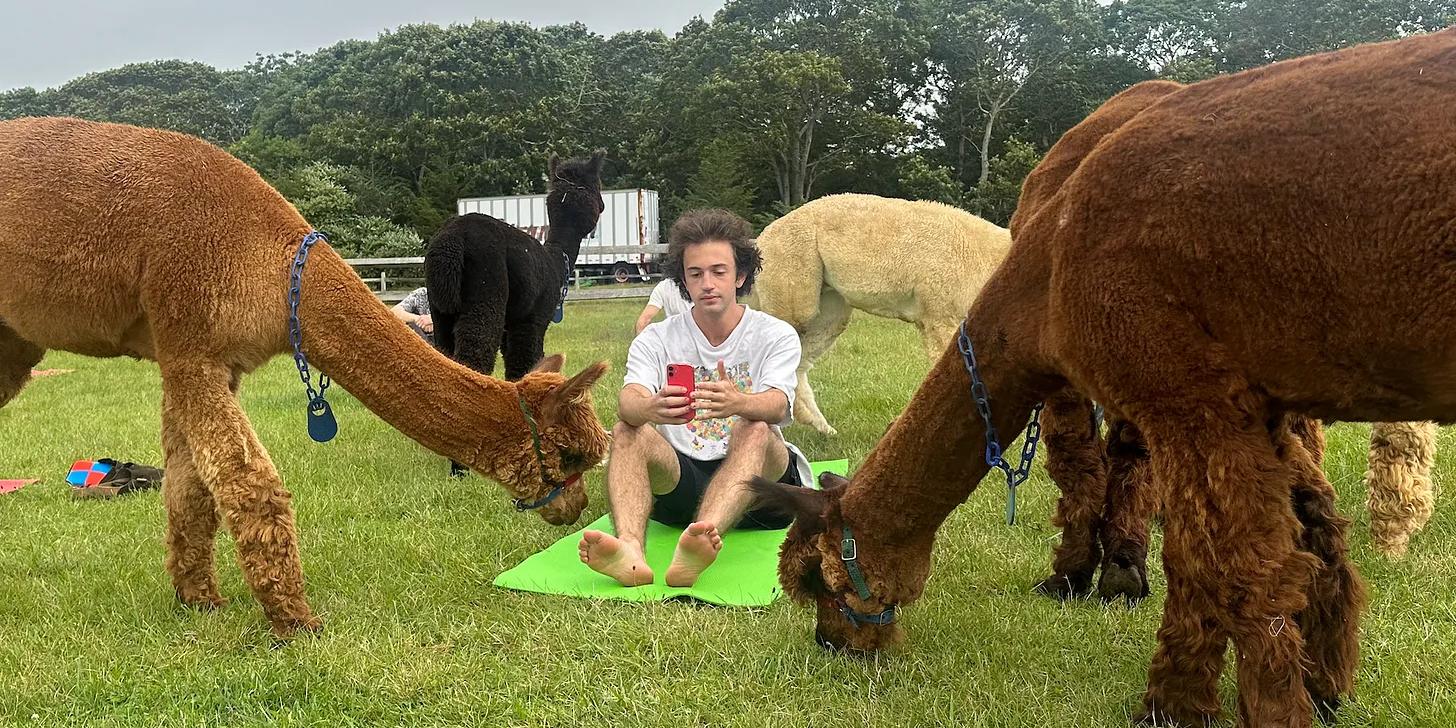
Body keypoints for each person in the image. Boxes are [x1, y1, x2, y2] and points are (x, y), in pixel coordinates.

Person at [579, 208, 810, 588]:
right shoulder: (657, 338)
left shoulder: (775, 334)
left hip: (760, 493)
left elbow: (779, 405)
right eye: (695, 274)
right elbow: (628, 400)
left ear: (740, 275)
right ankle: (630, 552)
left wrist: (739, 402)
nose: (707, 284)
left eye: (719, 272)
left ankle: (703, 539)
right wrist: (650, 408)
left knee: (754, 426)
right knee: (627, 429)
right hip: (682, 483)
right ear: (682, 281)